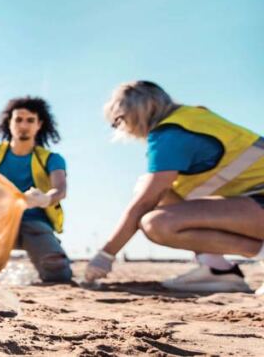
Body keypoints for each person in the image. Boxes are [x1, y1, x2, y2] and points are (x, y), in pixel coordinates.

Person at [86, 81, 264, 293]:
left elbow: (145, 202)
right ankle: (216, 268)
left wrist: (106, 254)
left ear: (134, 113)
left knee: (157, 223)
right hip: (254, 201)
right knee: (158, 189)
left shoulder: (169, 135)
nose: (122, 129)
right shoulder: (194, 117)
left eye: (118, 122)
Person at [0, 97, 73, 283]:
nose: (23, 125)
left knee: (59, 274)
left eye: (30, 120)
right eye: (18, 119)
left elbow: (60, 189)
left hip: (34, 222)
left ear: (39, 124)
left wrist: (44, 199)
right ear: (9, 123)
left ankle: (49, 252)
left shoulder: (51, 158)